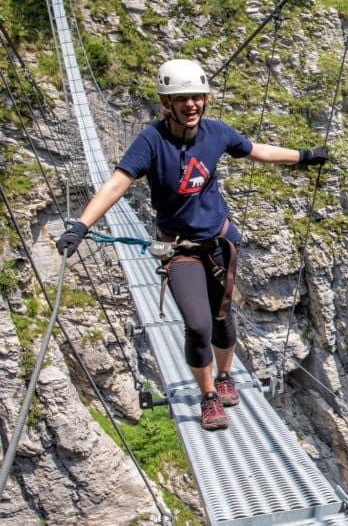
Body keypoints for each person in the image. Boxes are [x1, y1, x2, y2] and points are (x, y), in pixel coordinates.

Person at [55, 59, 328, 431]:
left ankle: (225, 375)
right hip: (180, 250)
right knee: (198, 325)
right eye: (181, 99)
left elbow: (255, 150)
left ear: (205, 99)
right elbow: (118, 183)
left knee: (222, 319)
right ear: (167, 103)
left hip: (219, 244)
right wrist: (82, 225)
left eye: (196, 97)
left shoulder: (216, 133)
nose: (190, 105)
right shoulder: (152, 141)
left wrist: (304, 157)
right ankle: (209, 397)